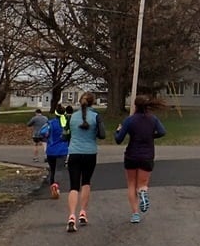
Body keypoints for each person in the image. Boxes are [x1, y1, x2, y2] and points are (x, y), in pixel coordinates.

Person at [114, 95, 167, 224]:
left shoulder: (130, 120)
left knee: (131, 184)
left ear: (135, 106)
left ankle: (135, 213)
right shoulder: (153, 119)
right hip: (147, 155)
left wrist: (118, 131)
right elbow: (162, 132)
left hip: (132, 155)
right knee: (142, 183)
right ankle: (143, 191)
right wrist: (151, 136)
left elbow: (119, 139)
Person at [65, 92, 106, 232]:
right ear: (92, 103)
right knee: (86, 182)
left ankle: (71, 216)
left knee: (74, 186)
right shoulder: (96, 116)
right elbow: (102, 135)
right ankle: (83, 212)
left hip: (74, 152)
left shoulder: (72, 117)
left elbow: (67, 135)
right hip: (89, 153)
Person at [45, 107, 69, 199]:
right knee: (59, 170)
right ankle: (56, 185)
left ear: (55, 114)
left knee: (52, 169)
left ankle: (52, 189)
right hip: (62, 150)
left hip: (51, 150)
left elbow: (43, 133)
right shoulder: (66, 124)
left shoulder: (50, 123)